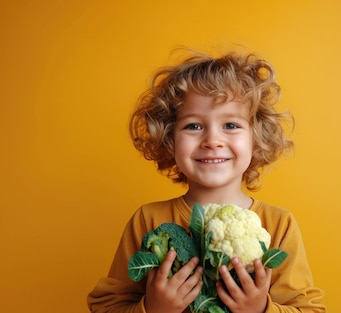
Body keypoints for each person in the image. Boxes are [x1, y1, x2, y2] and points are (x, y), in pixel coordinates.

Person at [87, 49, 326, 313]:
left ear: (256, 139)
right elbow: (107, 306)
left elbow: (309, 310)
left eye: (231, 125)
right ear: (170, 138)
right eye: (194, 126)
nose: (212, 140)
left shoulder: (279, 226)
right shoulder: (148, 220)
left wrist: (261, 310)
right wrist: (153, 309)